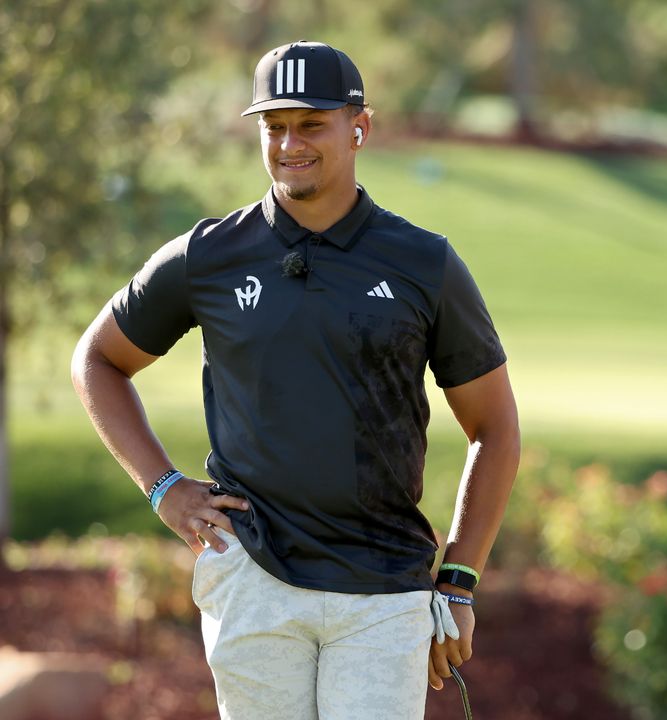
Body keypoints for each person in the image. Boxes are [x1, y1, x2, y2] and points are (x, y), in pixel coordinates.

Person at [71, 40, 520, 719]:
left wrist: (458, 579)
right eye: (273, 126)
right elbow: (98, 360)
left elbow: (495, 428)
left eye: (311, 123)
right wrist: (162, 487)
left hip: (384, 591)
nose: (289, 143)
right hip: (251, 579)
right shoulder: (208, 256)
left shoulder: (424, 263)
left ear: (359, 127)